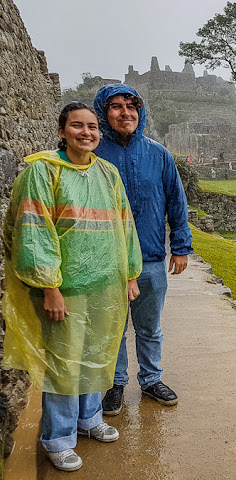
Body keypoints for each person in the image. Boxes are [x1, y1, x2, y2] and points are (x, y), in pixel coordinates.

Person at [2, 103, 143, 471]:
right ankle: (59, 438)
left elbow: (124, 224)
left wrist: (130, 273)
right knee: (64, 362)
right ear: (62, 130)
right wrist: (50, 287)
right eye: (77, 126)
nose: (87, 133)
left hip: (105, 286)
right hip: (65, 289)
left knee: (98, 352)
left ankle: (90, 418)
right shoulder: (43, 173)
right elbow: (34, 235)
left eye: (93, 127)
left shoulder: (108, 173)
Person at [94, 84, 193, 415]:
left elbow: (176, 202)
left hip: (150, 257)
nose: (126, 113)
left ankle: (151, 379)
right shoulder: (94, 156)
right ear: (104, 113)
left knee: (149, 326)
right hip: (107, 260)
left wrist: (180, 246)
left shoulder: (158, 154)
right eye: (117, 107)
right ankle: (116, 383)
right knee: (114, 327)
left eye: (132, 106)